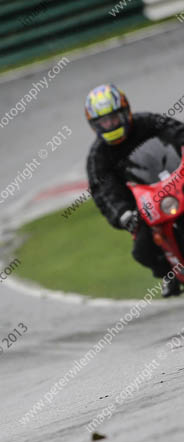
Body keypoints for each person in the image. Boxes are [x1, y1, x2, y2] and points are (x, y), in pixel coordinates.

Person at [85, 83, 184, 297]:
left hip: (174, 178)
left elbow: (176, 130)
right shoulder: (98, 157)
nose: (111, 124)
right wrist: (122, 213)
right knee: (142, 251)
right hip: (142, 201)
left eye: (114, 117)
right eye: (104, 121)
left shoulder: (147, 122)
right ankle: (169, 275)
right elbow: (104, 192)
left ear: (126, 112)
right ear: (95, 125)